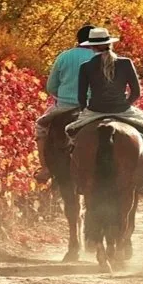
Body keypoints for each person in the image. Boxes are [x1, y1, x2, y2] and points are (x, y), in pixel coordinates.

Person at [66, 27, 143, 199]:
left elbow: (81, 97)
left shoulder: (86, 66)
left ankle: (80, 180)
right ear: (109, 43)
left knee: (71, 136)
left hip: (94, 111)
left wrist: (85, 111)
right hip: (123, 110)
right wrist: (123, 105)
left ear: (92, 47)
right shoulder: (125, 63)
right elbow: (136, 93)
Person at [33, 24, 96, 184]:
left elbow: (51, 86)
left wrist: (60, 95)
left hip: (64, 106)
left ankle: (45, 168)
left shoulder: (64, 56)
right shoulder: (101, 56)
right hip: (93, 108)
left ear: (78, 39)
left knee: (41, 127)